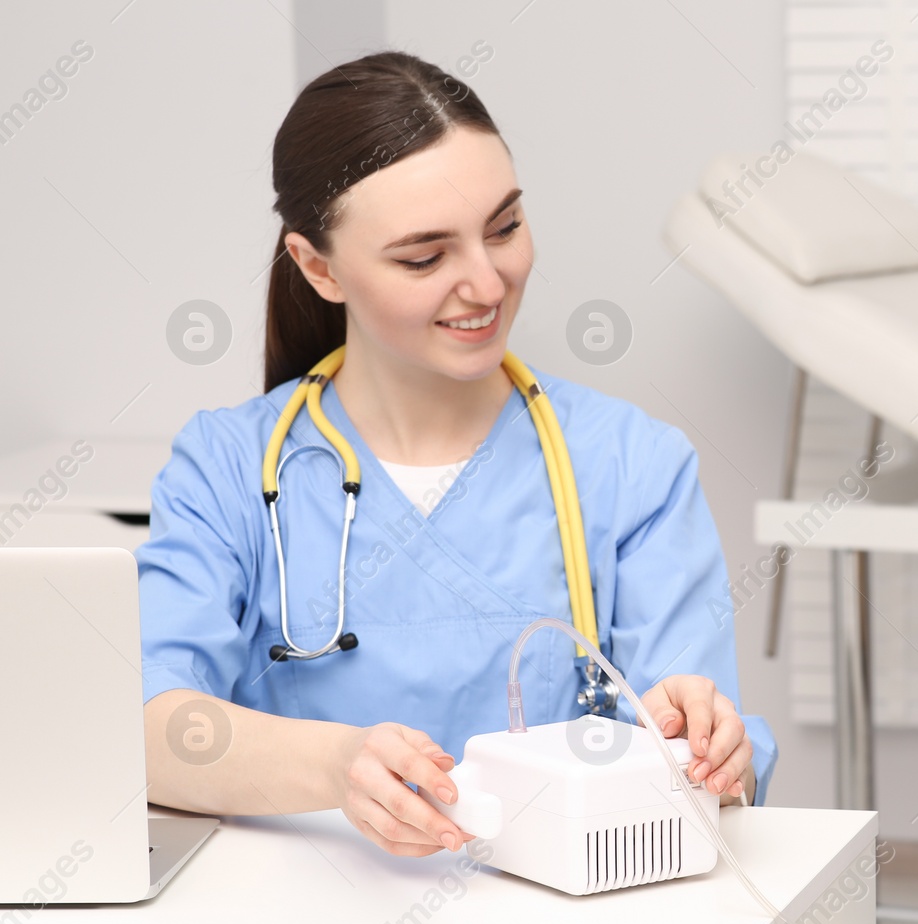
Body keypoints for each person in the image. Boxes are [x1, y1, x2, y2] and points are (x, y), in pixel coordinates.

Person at [139, 51, 776, 858]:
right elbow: (150, 725)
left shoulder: (631, 465)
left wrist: (709, 747)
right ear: (317, 266)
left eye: (505, 227)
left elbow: (711, 767)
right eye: (424, 257)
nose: (487, 281)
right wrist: (338, 765)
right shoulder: (229, 466)